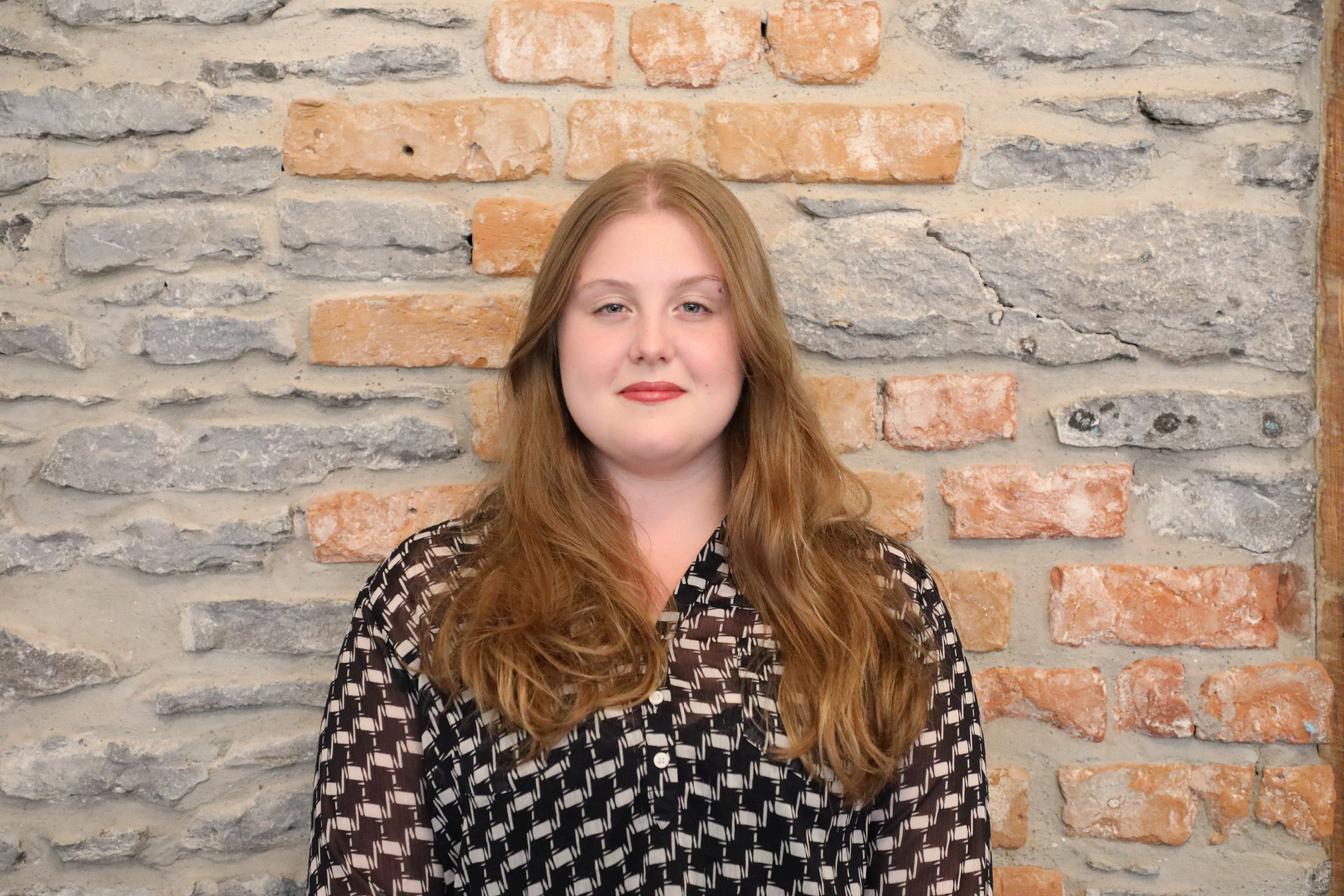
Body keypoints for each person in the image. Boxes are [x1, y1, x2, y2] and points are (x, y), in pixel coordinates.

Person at [306, 158, 993, 895]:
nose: (652, 343)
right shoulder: (430, 598)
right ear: (555, 341)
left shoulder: (879, 597)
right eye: (611, 307)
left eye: (695, 306)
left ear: (748, 340)